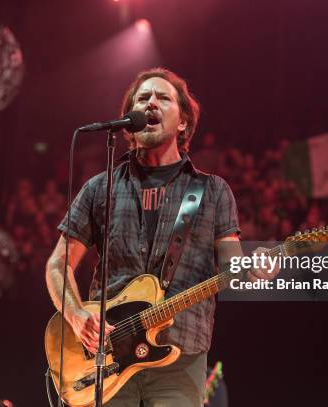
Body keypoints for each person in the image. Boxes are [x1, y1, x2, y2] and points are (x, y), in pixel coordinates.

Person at [45, 68, 244, 406]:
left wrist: (258, 267)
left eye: (163, 97)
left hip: (180, 357)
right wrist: (76, 315)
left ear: (183, 122)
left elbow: (234, 265)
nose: (151, 102)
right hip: (105, 358)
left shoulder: (211, 191)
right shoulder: (100, 186)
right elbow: (57, 264)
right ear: (130, 119)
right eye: (143, 98)